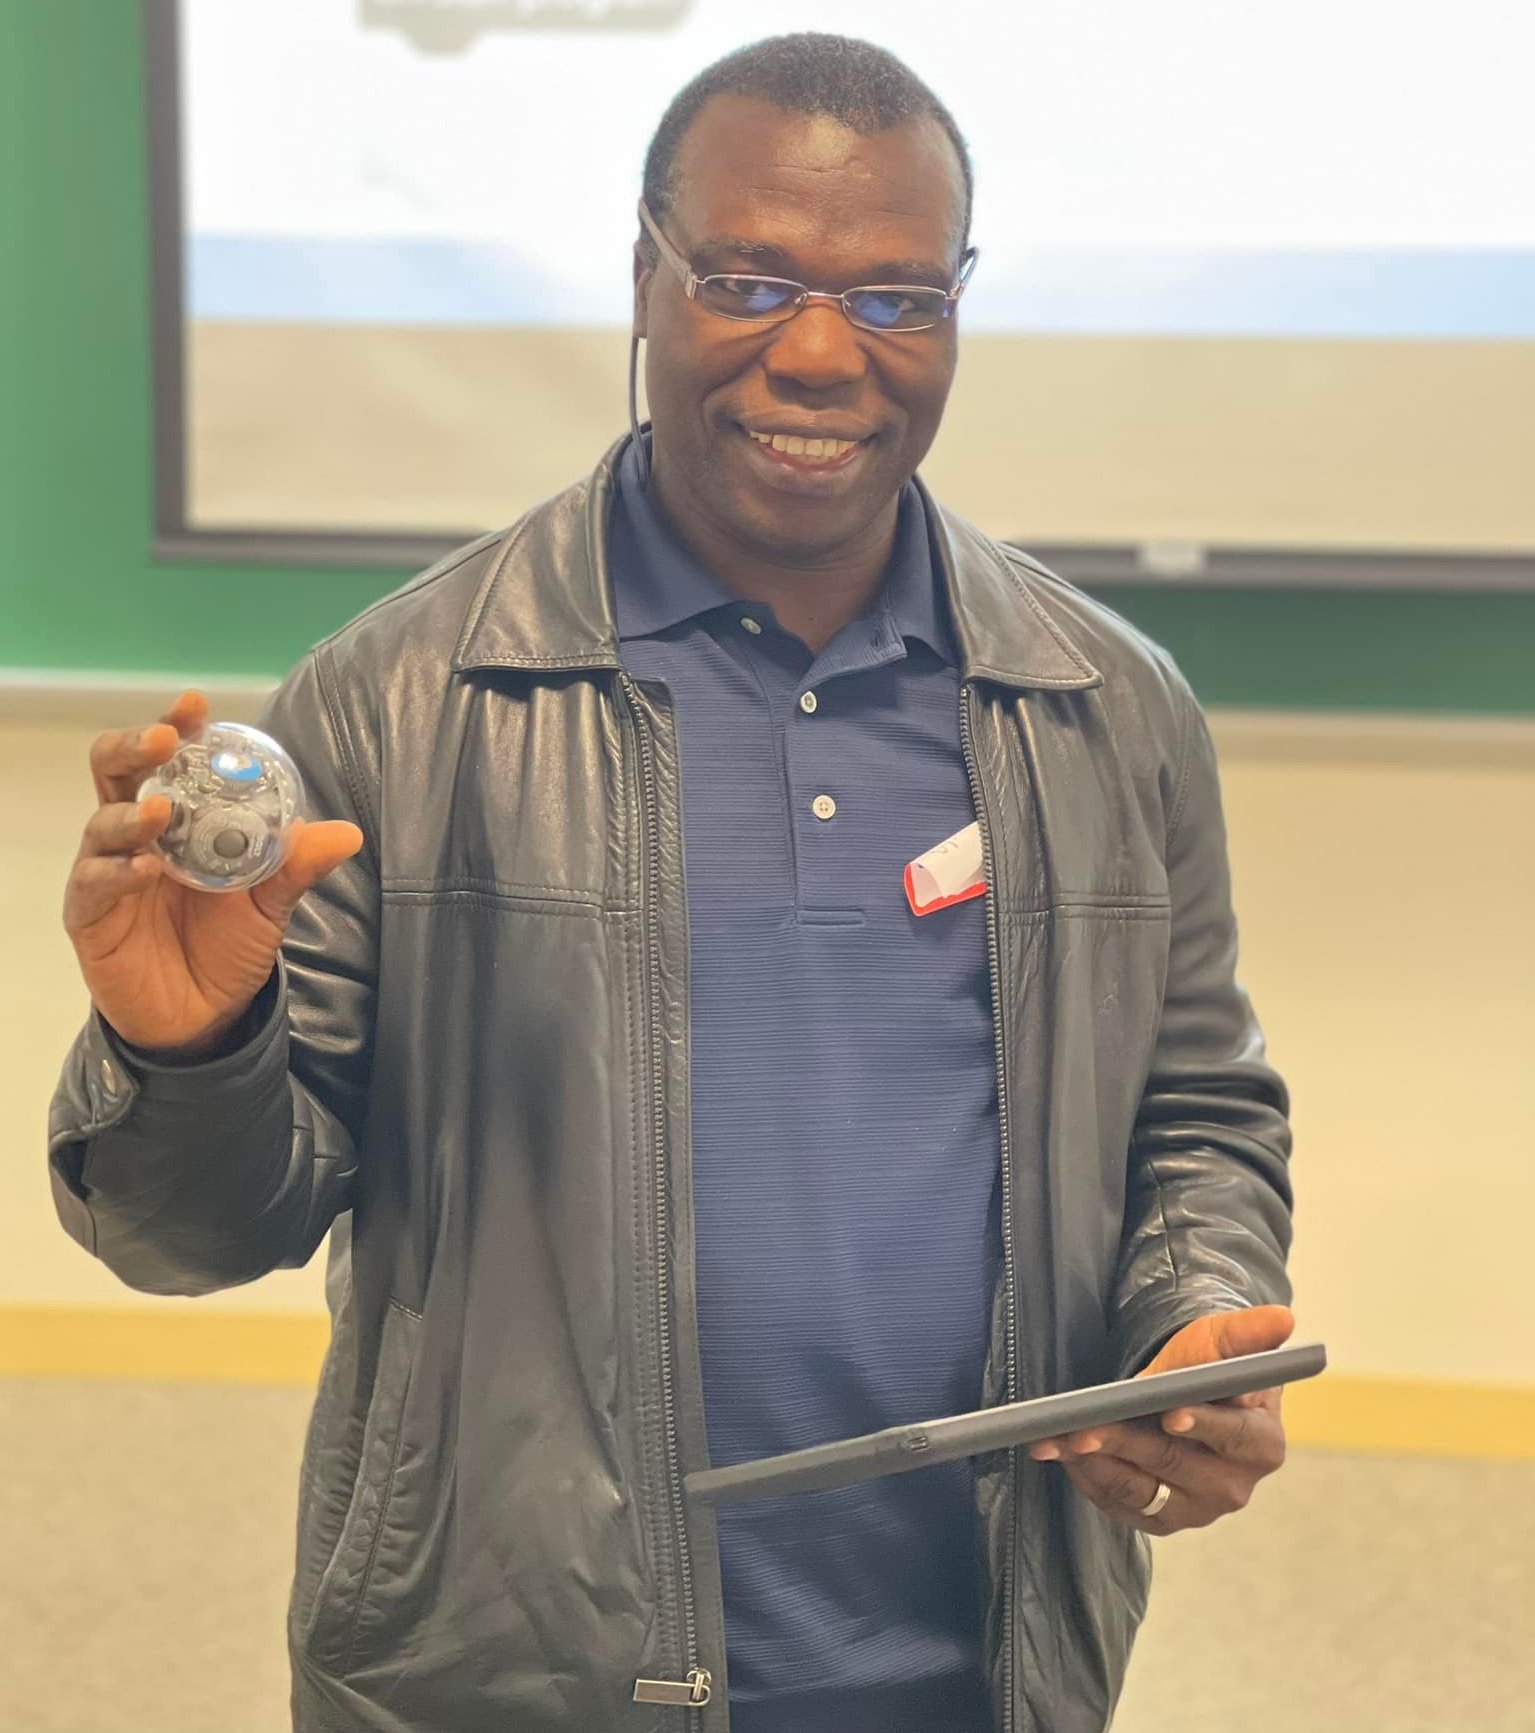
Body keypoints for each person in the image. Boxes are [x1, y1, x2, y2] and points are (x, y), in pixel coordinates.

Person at [50, 32, 1295, 1733]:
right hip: (508, 1678)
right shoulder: (406, 700)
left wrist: (1195, 1315)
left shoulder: (1105, 707)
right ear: (643, 275)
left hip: (981, 1670)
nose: (818, 354)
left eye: (897, 300)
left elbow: (1197, 1103)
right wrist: (188, 1050)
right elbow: (195, 1231)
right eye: (750, 279)